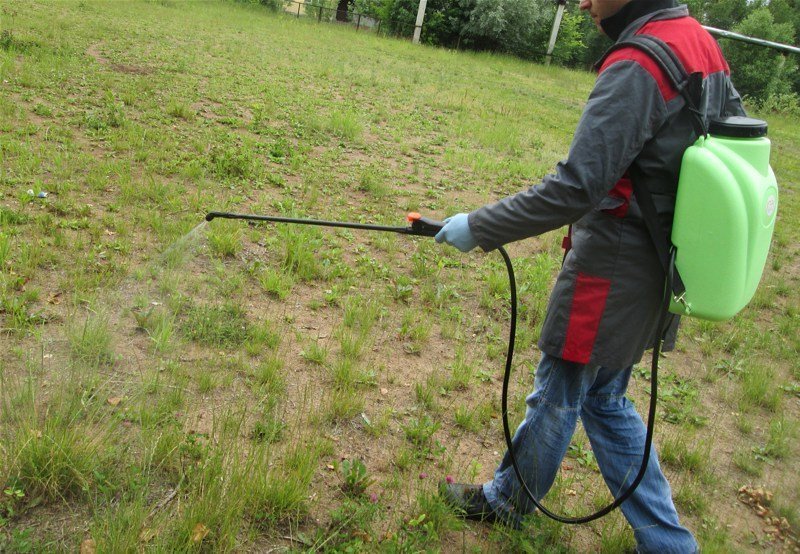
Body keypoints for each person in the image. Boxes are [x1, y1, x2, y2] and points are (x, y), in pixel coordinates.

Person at [434, 0, 745, 552]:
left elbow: (578, 187)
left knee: (559, 392)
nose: (581, 2)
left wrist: (479, 226)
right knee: (604, 400)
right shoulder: (695, 38)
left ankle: (511, 502)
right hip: (664, 261)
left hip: (615, 269)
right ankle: (667, 542)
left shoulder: (639, 64)